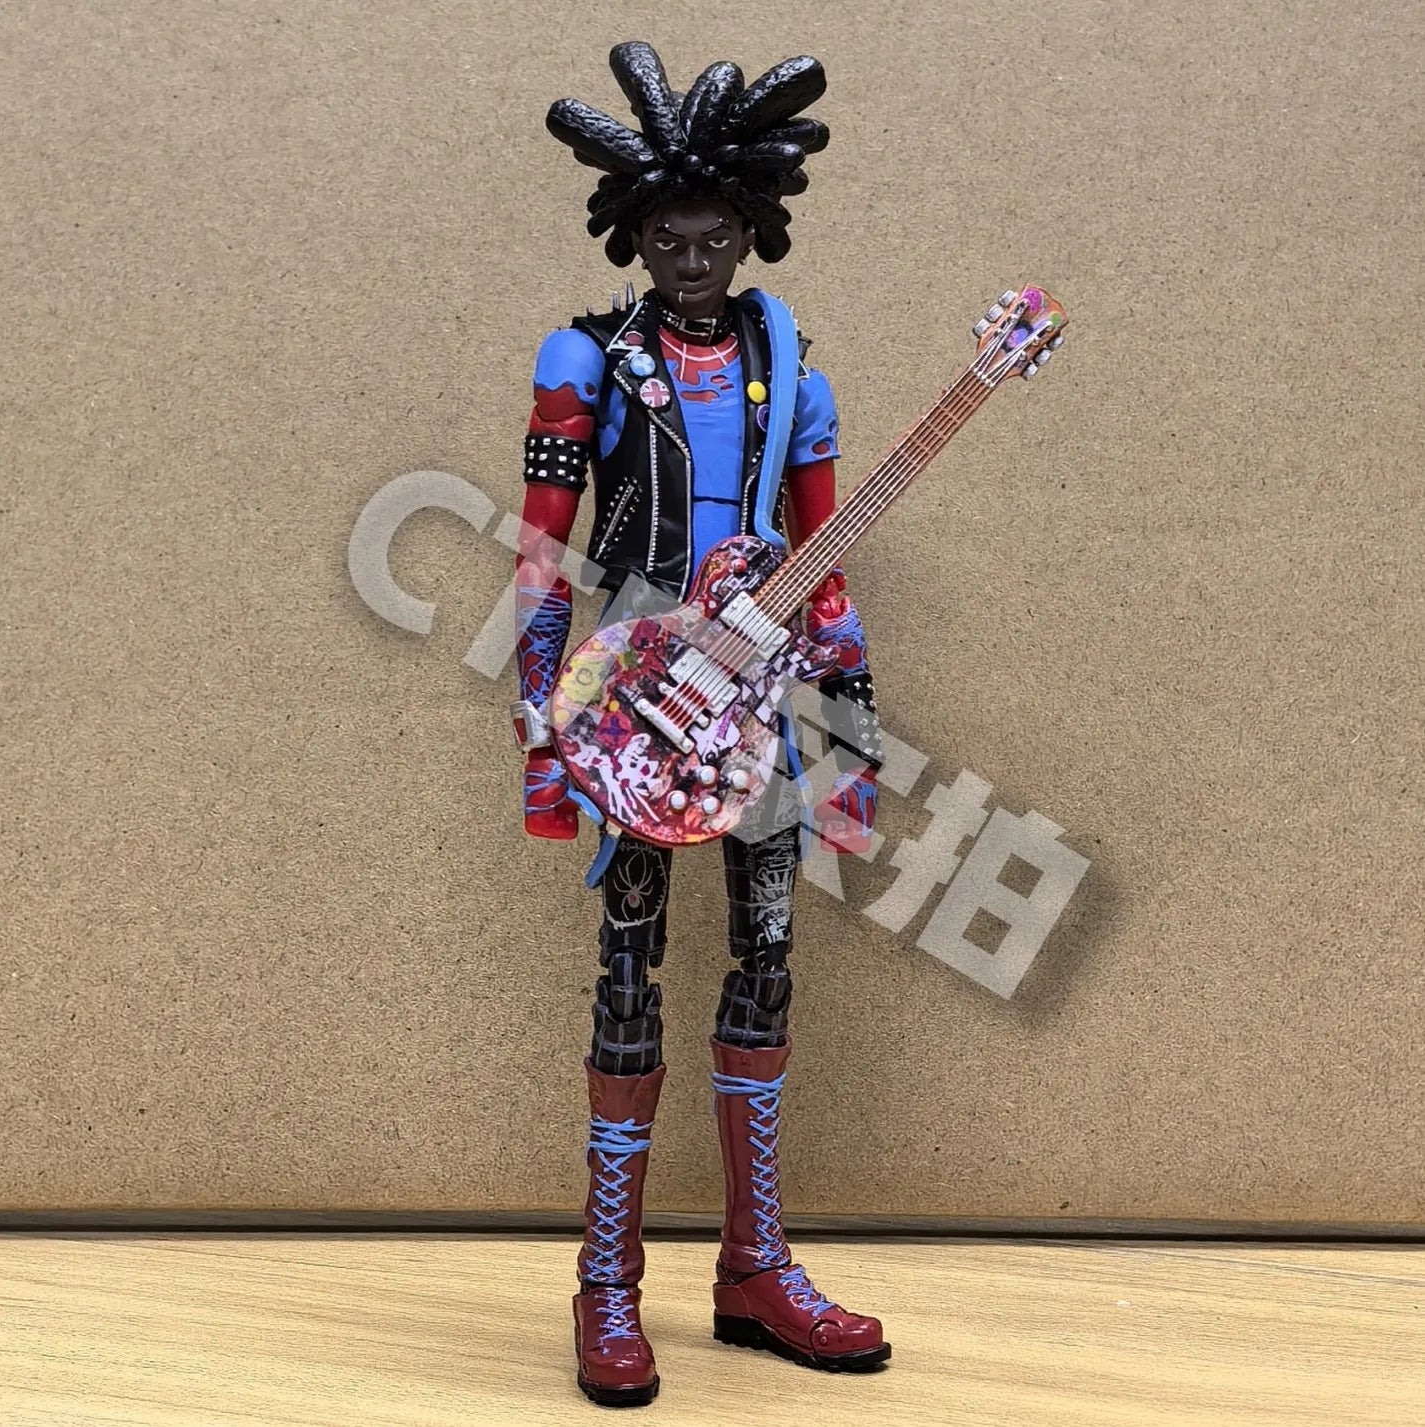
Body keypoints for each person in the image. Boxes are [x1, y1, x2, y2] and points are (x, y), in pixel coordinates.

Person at [510, 41, 889, 1407]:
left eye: (714, 236)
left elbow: (825, 568)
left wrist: (846, 726)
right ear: (631, 231)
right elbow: (541, 555)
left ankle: (754, 1266)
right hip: (635, 706)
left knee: (766, 967)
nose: (689, 259)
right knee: (629, 976)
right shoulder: (589, 362)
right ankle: (607, 1284)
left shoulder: (796, 374)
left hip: (763, 704)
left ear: (751, 232)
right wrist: (542, 725)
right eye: (666, 237)